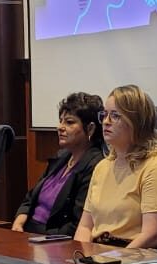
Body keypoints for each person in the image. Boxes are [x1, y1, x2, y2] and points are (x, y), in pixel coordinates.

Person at [74, 85, 157, 248]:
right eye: (104, 114)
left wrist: (112, 262)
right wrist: (79, 260)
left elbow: (152, 236)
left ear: (137, 122)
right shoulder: (102, 167)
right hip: (100, 258)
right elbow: (85, 227)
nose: (106, 122)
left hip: (136, 260)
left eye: (115, 116)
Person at [11, 92, 103, 236]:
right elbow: (30, 198)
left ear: (90, 128)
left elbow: (77, 223)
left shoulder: (96, 165)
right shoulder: (62, 157)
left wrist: (41, 239)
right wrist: (19, 223)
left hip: (53, 240)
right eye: (60, 121)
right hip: (28, 234)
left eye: (69, 122)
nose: (60, 127)